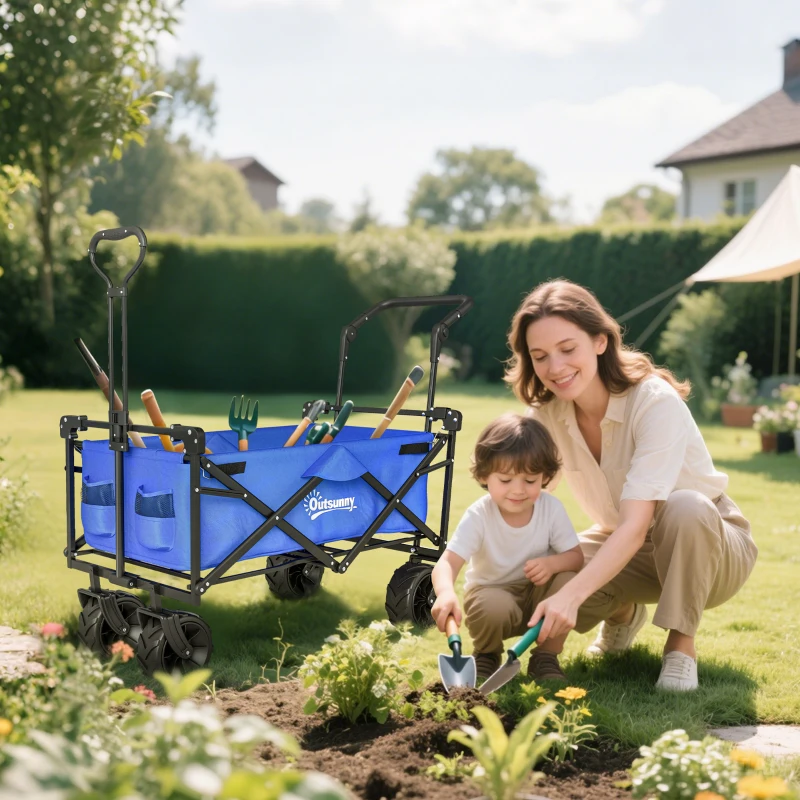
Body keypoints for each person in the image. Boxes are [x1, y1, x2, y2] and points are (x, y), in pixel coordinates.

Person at [505, 279, 758, 691]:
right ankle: (622, 613)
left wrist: (571, 597)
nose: (555, 367)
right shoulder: (547, 415)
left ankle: (680, 648)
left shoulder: (654, 401)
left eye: (567, 349)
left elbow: (637, 525)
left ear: (600, 341)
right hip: (627, 546)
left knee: (686, 507)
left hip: (710, 548)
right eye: (540, 356)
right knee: (543, 568)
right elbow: (517, 501)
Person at [431, 413, 584, 682]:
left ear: (545, 477)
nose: (518, 490)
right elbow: (447, 562)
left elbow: (576, 558)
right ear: (485, 475)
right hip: (492, 597)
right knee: (493, 606)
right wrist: (445, 593)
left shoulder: (550, 509)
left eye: (530, 480)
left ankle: (545, 657)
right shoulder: (480, 515)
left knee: (569, 582)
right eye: (505, 480)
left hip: (538, 596)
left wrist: (552, 564)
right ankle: (487, 655)